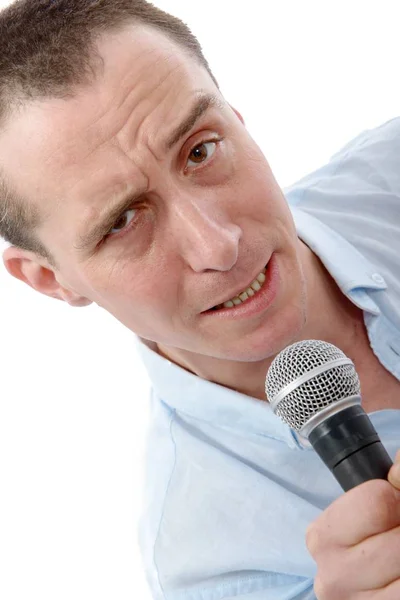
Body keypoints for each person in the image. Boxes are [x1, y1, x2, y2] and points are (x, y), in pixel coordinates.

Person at [0, 0, 399, 598]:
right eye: (122, 221)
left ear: (236, 117)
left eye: (200, 150)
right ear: (53, 281)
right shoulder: (216, 570)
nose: (219, 244)